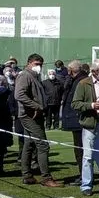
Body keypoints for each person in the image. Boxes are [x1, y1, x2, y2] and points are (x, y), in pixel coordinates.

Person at [15, 54, 62, 187]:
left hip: (35, 115)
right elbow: (19, 94)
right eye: (36, 64)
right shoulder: (25, 75)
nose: (39, 66)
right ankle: (46, 178)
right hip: (29, 115)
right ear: (29, 63)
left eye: (40, 64)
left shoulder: (35, 76)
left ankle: (27, 175)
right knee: (43, 145)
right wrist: (35, 106)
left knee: (29, 144)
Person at [72, 59, 99, 196]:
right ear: (94, 71)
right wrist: (91, 105)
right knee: (88, 156)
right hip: (91, 124)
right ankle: (86, 185)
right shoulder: (83, 84)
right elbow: (75, 104)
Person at [60, 60, 87, 184]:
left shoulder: (80, 82)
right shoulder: (76, 80)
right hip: (75, 118)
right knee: (80, 148)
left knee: (80, 149)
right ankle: (83, 174)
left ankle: (84, 175)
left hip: (78, 119)